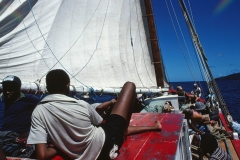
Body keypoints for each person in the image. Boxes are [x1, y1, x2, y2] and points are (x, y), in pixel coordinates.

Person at [27, 69, 161, 160]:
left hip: (98, 150)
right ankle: (124, 131)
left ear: (48, 88)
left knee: (111, 127)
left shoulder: (38, 111)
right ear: (68, 85)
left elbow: (42, 155)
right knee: (130, 85)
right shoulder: (80, 105)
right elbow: (101, 122)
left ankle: (151, 127)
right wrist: (100, 109)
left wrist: (59, 148)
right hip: (108, 145)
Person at [0, 75, 40, 157]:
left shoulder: (29, 99)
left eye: (11, 89)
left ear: (18, 88)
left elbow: (44, 112)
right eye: (5, 88)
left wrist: (30, 132)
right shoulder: (1, 98)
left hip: (16, 137)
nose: (7, 92)